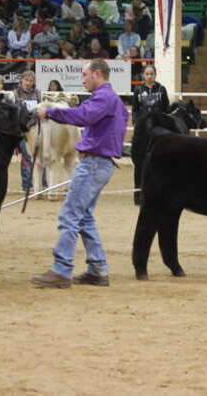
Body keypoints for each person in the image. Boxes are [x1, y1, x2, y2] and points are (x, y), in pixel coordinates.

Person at [31, 59, 128, 288]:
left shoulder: (103, 97)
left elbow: (83, 116)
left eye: (85, 75)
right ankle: (97, 269)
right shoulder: (112, 99)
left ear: (97, 73)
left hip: (93, 162)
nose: (83, 79)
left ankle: (62, 270)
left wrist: (50, 112)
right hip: (100, 162)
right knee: (83, 217)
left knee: (70, 215)